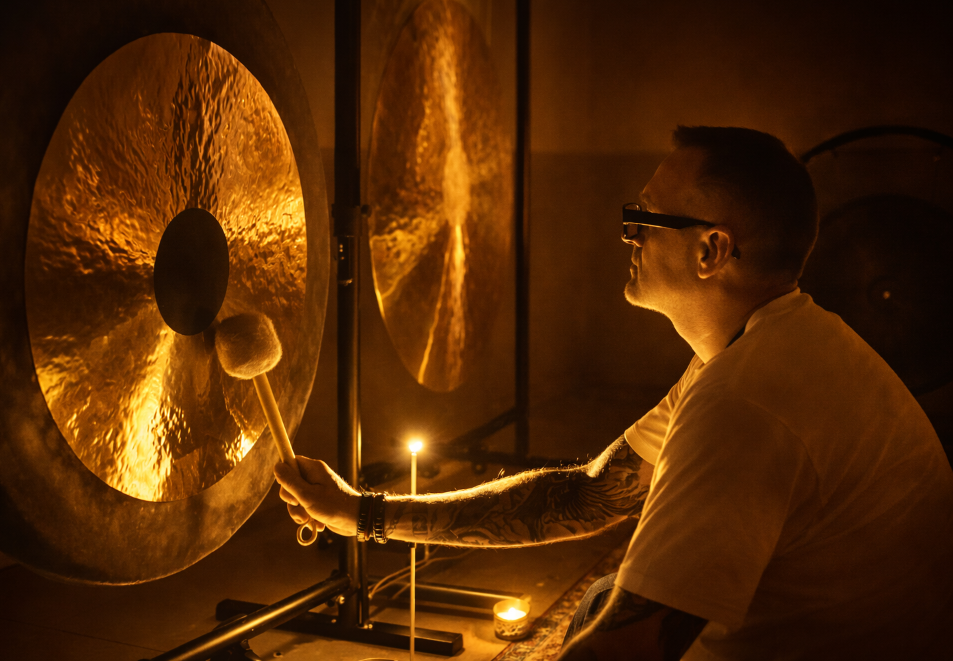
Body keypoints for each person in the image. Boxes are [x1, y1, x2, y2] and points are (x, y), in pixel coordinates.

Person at [275, 126, 953, 660]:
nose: (627, 230)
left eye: (645, 215)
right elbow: (591, 491)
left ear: (711, 250)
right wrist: (361, 511)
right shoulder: (765, 344)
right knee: (605, 593)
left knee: (605, 614)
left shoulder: (745, 404)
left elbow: (628, 652)